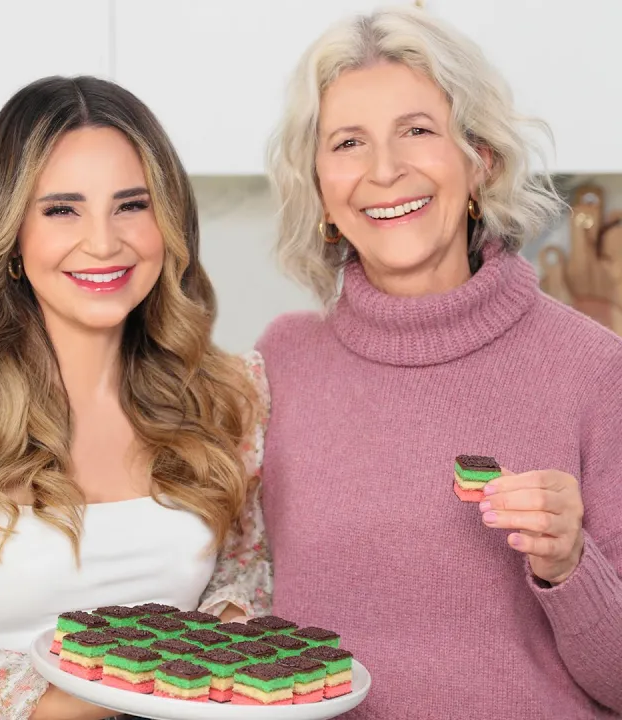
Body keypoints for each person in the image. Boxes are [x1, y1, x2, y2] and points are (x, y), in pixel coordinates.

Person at [258, 7, 622, 718]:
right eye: (349, 143)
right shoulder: (280, 363)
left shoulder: (594, 370)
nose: (385, 170)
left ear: (479, 160)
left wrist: (569, 565)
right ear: (322, 189)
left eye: (417, 131)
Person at [0, 76, 271, 719]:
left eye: (132, 205)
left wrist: (231, 618)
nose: (103, 242)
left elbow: (244, 577)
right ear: (10, 237)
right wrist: (135, 691)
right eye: (62, 209)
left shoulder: (230, 398)